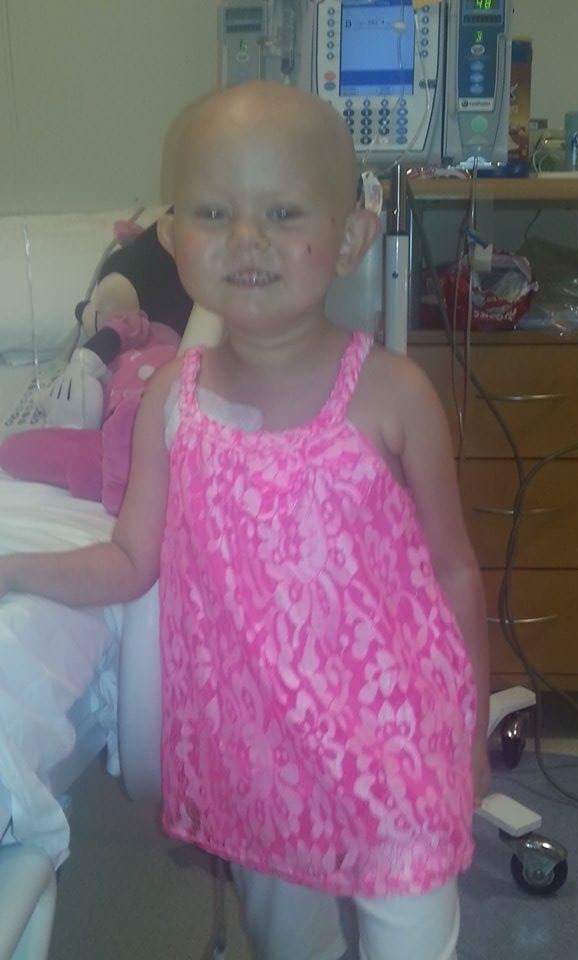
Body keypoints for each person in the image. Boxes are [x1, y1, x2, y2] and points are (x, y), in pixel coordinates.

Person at [0, 82, 489, 960]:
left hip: (398, 751)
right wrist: (11, 567)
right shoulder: (170, 405)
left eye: (283, 211)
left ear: (350, 237)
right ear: (172, 240)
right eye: (215, 213)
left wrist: (468, 727)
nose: (247, 238)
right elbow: (128, 561)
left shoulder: (395, 397)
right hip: (267, 767)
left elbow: (453, 568)